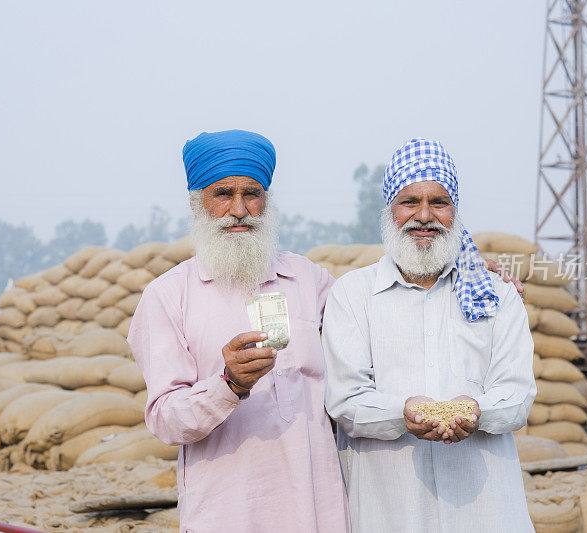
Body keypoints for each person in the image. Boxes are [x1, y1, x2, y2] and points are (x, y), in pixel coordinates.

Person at [128, 130, 523, 532]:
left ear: (267, 201)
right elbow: (164, 420)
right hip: (229, 509)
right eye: (223, 195)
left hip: (320, 508)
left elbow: (390, 301)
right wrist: (227, 384)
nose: (239, 209)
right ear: (197, 204)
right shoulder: (167, 297)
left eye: (252, 194)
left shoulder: (306, 279)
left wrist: (460, 265)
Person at [322, 138, 536, 532]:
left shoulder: (496, 294)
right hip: (389, 509)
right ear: (390, 210)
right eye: (409, 202)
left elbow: (518, 395)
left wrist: (476, 410)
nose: (425, 216)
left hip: (484, 512)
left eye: (439, 202)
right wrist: (403, 413)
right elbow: (346, 400)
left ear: (455, 211)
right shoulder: (353, 294)